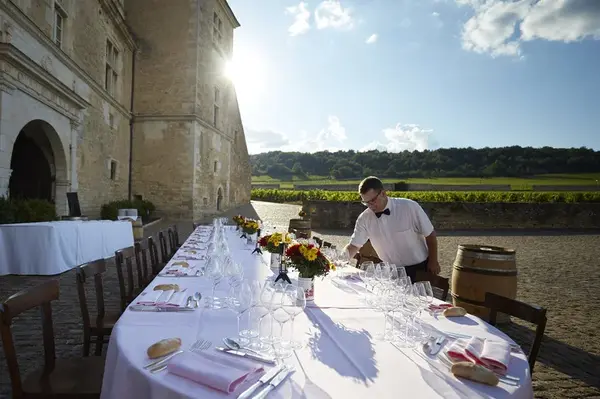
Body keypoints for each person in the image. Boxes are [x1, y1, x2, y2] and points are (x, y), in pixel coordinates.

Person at [342, 176, 441, 282]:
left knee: (424, 298)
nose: (370, 206)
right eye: (366, 202)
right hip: (391, 273)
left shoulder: (409, 207)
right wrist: (339, 260)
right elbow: (354, 245)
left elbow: (430, 234)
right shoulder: (364, 218)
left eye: (372, 201)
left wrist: (433, 261)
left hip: (420, 269)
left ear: (383, 193)